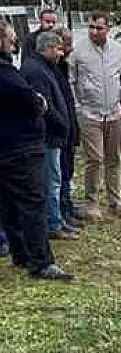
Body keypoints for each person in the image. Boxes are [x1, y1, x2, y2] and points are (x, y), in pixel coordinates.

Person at [0, 19, 73, 280]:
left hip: (7, 148)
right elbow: (35, 102)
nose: (12, 45)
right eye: (9, 40)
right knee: (32, 204)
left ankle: (21, 254)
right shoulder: (8, 74)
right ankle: (41, 262)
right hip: (20, 148)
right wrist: (40, 105)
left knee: (9, 204)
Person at [70, 11, 121, 220]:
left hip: (115, 114)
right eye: (91, 27)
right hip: (90, 115)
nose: (94, 31)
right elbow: (70, 81)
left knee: (114, 158)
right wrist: (77, 107)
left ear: (107, 29)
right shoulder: (78, 51)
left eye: (99, 28)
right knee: (95, 159)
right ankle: (91, 202)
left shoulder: (119, 51)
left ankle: (115, 202)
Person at [21, 31, 76, 240]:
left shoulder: (44, 67)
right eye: (59, 49)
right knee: (51, 180)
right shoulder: (36, 71)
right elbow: (45, 106)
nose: (62, 54)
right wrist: (62, 123)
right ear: (50, 48)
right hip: (47, 136)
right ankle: (53, 223)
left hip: (52, 135)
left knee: (54, 178)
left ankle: (57, 219)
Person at [54, 27, 81, 229]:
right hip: (60, 132)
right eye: (67, 45)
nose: (71, 49)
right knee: (60, 174)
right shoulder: (54, 69)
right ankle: (61, 212)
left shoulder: (65, 67)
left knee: (67, 171)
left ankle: (67, 206)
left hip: (69, 129)